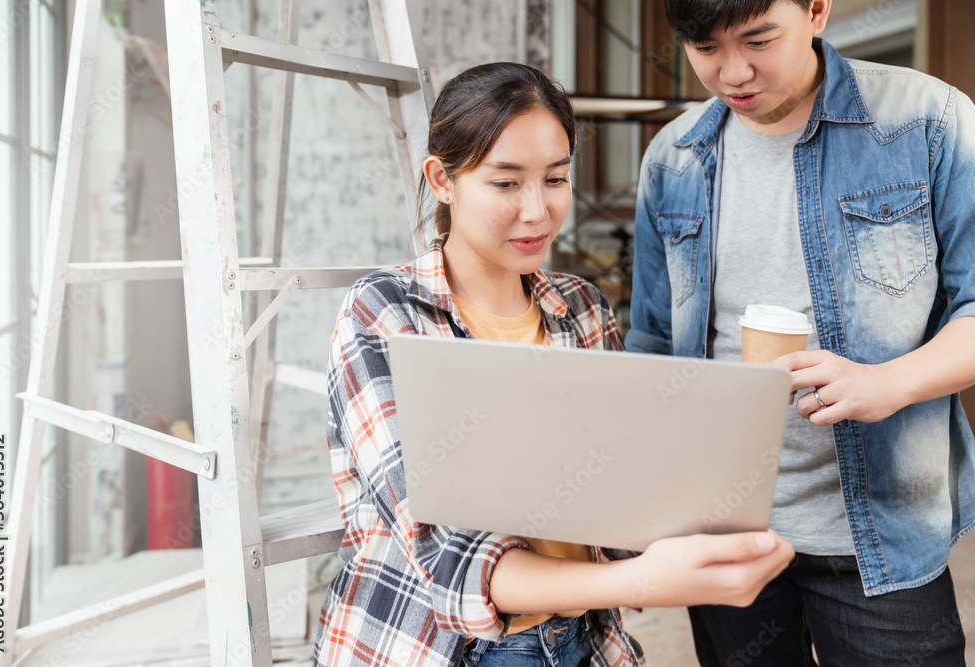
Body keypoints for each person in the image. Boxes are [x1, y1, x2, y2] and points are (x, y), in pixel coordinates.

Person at [316, 62, 794, 667]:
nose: (538, 211)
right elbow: (448, 557)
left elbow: (621, 493)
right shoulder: (384, 311)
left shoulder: (582, 307)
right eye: (506, 183)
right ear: (442, 180)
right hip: (444, 649)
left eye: (556, 178)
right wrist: (644, 580)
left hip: (583, 642)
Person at [628, 0, 975, 663]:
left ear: (817, 9)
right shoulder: (671, 157)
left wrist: (888, 383)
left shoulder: (927, 122)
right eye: (705, 49)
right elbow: (650, 345)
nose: (733, 72)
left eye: (758, 39)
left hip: (880, 534)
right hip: (725, 533)